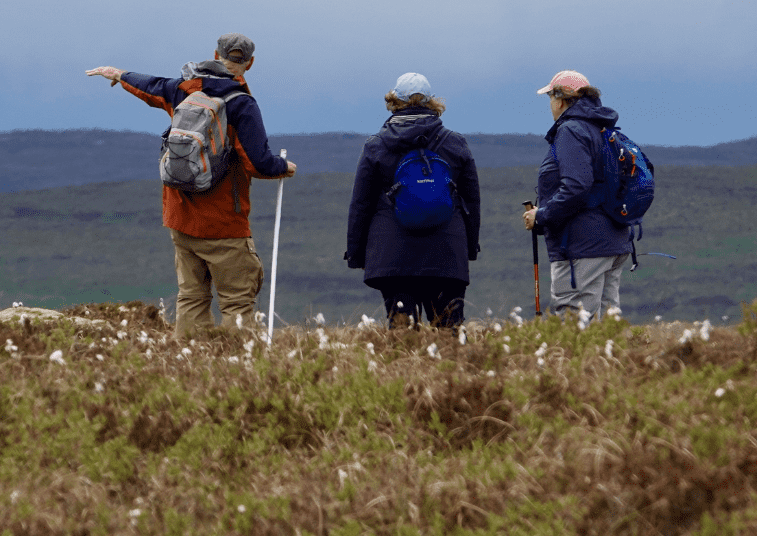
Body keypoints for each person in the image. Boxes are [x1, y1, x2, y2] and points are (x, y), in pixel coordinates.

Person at [86, 33, 296, 337]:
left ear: (216, 54)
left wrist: (119, 74)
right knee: (237, 301)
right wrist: (283, 167)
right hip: (224, 224)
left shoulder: (182, 89)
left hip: (180, 218)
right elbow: (258, 163)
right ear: (249, 63)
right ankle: (239, 361)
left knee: (191, 297)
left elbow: (150, 86)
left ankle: (189, 357)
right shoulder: (242, 104)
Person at [345, 73, 480, 329]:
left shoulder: (376, 145)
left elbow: (361, 205)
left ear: (394, 101)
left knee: (402, 335)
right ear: (432, 102)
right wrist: (469, 249)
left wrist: (357, 254)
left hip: (392, 257)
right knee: (449, 334)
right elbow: (471, 201)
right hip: (447, 254)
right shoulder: (455, 143)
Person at [522, 70, 631, 320]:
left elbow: (576, 187)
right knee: (605, 325)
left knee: (574, 323)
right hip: (613, 240)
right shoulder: (602, 129)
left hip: (582, 246)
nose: (550, 104)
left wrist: (542, 216)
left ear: (560, 100)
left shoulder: (571, 130)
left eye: (550, 97)